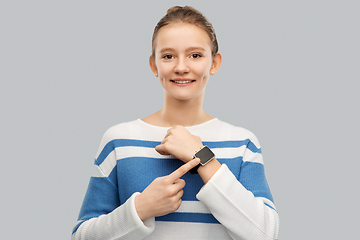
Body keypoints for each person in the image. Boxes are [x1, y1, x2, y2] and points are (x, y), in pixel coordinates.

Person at [72, 6, 279, 240]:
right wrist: (140, 209)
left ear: (214, 63)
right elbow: (82, 236)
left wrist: (201, 156)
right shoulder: (118, 140)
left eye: (195, 55)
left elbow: (265, 233)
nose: (181, 67)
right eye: (168, 56)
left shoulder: (242, 143)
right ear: (154, 65)